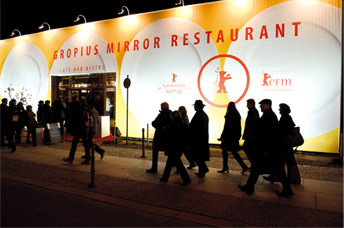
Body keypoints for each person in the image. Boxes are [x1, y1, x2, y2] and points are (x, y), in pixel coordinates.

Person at [238, 99, 293, 198]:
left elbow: (268, 134)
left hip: (268, 149)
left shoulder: (269, 116)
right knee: (275, 170)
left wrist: (264, 148)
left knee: (261, 168)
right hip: (270, 149)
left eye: (262, 105)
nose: (261, 107)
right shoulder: (269, 115)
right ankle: (249, 187)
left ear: (268, 105)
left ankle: (249, 187)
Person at [263, 103, 301, 184]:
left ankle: (284, 178)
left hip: (285, 144)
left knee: (281, 162)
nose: (279, 110)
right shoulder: (287, 117)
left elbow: (282, 130)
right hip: (286, 144)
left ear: (283, 110)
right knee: (286, 162)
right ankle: (288, 178)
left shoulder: (285, 118)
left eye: (280, 108)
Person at [160, 111, 191, 186]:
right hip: (177, 147)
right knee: (170, 163)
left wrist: (166, 130)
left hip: (173, 147)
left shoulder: (174, 125)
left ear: (174, 117)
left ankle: (186, 179)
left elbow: (171, 136)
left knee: (178, 164)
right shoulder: (181, 124)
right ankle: (165, 177)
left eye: (172, 117)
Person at [218, 102, 248, 174]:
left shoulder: (228, 115)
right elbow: (238, 127)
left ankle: (225, 167)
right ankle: (243, 166)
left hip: (228, 137)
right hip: (233, 137)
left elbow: (226, 127)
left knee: (225, 152)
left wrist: (222, 137)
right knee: (234, 152)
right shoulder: (237, 114)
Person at [63, 96, 90, 164]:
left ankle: (71, 157)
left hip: (78, 128)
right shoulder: (85, 108)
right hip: (85, 127)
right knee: (86, 143)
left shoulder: (76, 111)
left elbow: (74, 119)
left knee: (74, 143)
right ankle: (88, 158)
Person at [146, 102, 172, 173]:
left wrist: (159, 127)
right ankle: (176, 167)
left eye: (161, 106)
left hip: (159, 137)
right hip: (168, 138)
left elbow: (154, 123)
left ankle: (154, 167)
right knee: (171, 155)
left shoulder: (161, 115)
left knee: (155, 152)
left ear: (163, 107)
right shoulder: (171, 115)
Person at [189, 100, 210, 178]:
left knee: (196, 156)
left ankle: (203, 169)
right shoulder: (203, 115)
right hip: (202, 139)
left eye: (195, 106)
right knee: (200, 156)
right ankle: (202, 171)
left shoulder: (198, 115)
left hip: (198, 139)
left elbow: (194, 127)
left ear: (197, 106)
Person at [242, 99, 260, 164]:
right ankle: (254, 164)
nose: (247, 106)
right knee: (249, 149)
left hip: (251, 136)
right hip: (250, 135)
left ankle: (254, 164)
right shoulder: (253, 112)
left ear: (251, 104)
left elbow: (254, 124)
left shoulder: (253, 112)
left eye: (247, 104)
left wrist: (250, 134)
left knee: (248, 148)